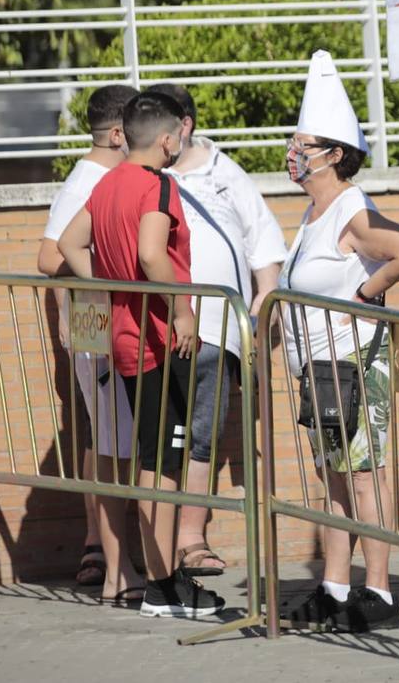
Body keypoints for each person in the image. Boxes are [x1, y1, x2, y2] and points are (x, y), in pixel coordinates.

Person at [58, 91, 224, 619]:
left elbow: (68, 243)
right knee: (163, 466)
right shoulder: (157, 185)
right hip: (157, 342)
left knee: (153, 461)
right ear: (170, 138)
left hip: (128, 342)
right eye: (179, 136)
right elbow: (153, 252)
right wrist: (181, 313)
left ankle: (161, 583)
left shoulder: (105, 183)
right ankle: (164, 586)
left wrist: (108, 287)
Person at [279, 50, 399, 633]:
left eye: (304, 144)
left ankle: (382, 593)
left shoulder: (350, 208)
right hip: (320, 368)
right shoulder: (313, 213)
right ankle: (336, 585)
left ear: (334, 154)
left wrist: (369, 291)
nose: (295, 153)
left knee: (366, 477)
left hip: (355, 364)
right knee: (336, 479)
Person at [147, 83, 289, 577]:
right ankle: (151, 551)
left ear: (182, 126)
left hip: (215, 331)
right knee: (155, 439)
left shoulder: (228, 175)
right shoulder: (141, 176)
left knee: (200, 438)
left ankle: (190, 539)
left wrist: (257, 321)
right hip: (150, 331)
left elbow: (264, 249)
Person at [35, 83, 140, 602]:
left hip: (98, 325)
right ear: (118, 133)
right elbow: (49, 256)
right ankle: (104, 549)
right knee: (110, 439)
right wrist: (108, 278)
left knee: (108, 437)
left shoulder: (107, 176)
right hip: (97, 327)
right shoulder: (88, 180)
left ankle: (102, 546)